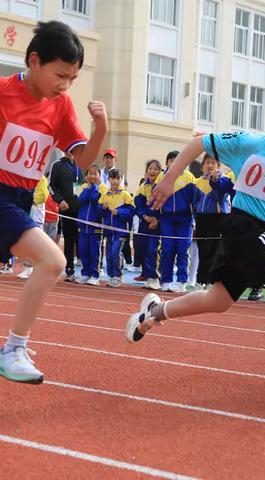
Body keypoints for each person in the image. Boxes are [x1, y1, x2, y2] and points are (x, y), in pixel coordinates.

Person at [125, 84, 265, 386]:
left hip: (263, 230)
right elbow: (199, 143)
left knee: (219, 299)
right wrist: (170, 178)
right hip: (242, 227)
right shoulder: (250, 143)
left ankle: (154, 313)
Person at [0, 20, 107, 384]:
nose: (65, 85)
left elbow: (81, 161)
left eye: (73, 79)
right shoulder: (2, 92)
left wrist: (101, 130)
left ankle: (14, 347)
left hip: (20, 200)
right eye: (61, 75)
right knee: (53, 260)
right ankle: (14, 347)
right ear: (34, 61)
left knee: (51, 262)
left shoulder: (60, 107)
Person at [156, 150, 196, 293]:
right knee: (167, 250)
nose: (174, 162)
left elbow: (195, 200)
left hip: (185, 220)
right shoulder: (161, 177)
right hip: (167, 219)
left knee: (182, 250)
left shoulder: (190, 177)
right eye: (171, 160)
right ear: (167, 162)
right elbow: (155, 197)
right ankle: (166, 280)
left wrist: (195, 220)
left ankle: (181, 281)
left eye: (177, 159)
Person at [193, 153, 234, 288]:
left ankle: (212, 281)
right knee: (203, 251)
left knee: (216, 251)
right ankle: (201, 280)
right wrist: (193, 221)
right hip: (202, 219)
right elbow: (194, 203)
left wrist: (215, 179)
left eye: (213, 163)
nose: (209, 166)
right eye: (207, 163)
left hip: (218, 218)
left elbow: (219, 194)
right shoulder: (197, 182)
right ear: (203, 166)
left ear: (218, 166)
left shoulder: (224, 180)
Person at [49, 149, 84, 281]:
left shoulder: (80, 166)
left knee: (82, 240)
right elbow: (51, 186)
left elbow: (85, 185)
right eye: (68, 150)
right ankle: (69, 270)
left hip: (82, 211)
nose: (71, 152)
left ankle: (88, 272)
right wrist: (59, 200)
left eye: (74, 150)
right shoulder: (57, 165)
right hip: (67, 210)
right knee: (69, 240)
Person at [99, 169, 134, 288]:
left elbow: (131, 210)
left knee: (115, 252)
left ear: (121, 179)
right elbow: (99, 211)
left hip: (121, 231)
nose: (115, 181)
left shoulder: (125, 195)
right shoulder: (105, 195)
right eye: (112, 178)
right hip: (109, 231)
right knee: (108, 255)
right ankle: (112, 276)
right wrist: (103, 208)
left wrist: (119, 211)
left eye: (118, 178)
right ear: (108, 179)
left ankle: (118, 275)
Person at [76, 164, 107, 285]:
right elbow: (82, 199)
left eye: (95, 173)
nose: (92, 176)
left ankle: (95, 274)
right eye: (90, 173)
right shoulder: (83, 187)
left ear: (99, 175)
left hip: (96, 225)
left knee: (94, 251)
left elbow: (95, 199)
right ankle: (85, 273)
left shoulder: (103, 188)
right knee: (83, 249)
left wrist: (94, 187)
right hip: (83, 225)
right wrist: (89, 187)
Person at [134, 159, 162, 290]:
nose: (153, 171)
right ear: (146, 171)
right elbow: (138, 206)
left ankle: (155, 277)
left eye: (156, 169)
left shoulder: (162, 186)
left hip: (158, 225)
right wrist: (146, 218)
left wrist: (156, 220)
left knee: (153, 249)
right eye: (150, 168)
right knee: (143, 248)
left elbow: (164, 205)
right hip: (145, 224)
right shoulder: (142, 188)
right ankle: (148, 275)